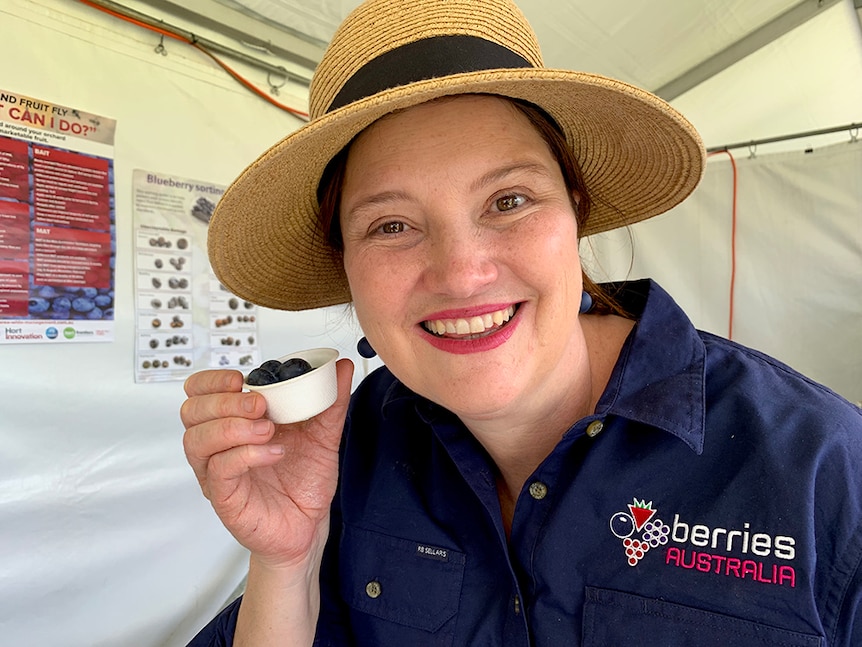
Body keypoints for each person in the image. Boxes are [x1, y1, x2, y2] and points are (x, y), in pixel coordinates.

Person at [180, 0, 862, 644]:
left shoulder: (824, 473)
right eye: (391, 224)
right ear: (346, 264)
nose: (460, 272)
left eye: (508, 199)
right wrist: (285, 563)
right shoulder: (345, 451)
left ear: (575, 207)